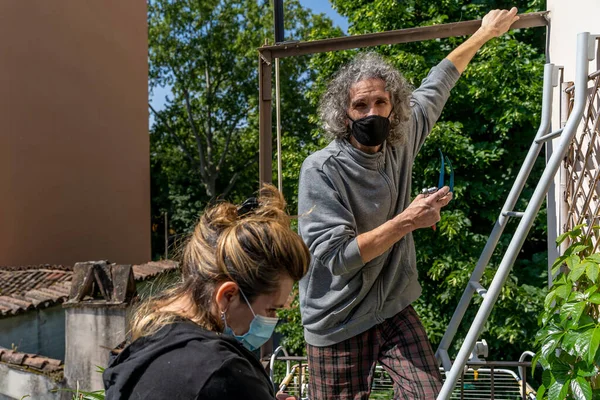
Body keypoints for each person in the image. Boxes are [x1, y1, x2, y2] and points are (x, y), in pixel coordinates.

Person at [297, 8, 520, 399]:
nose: (372, 113)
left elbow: (441, 80)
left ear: (394, 106)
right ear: (343, 115)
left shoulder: (401, 139)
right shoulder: (321, 169)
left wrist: (485, 33)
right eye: (360, 106)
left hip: (393, 306)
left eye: (380, 103)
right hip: (338, 319)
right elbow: (338, 258)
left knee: (427, 393)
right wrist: (408, 220)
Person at [103, 185, 310, 400]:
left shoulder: (138, 347)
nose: (273, 320)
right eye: (271, 309)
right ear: (228, 295)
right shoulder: (222, 374)